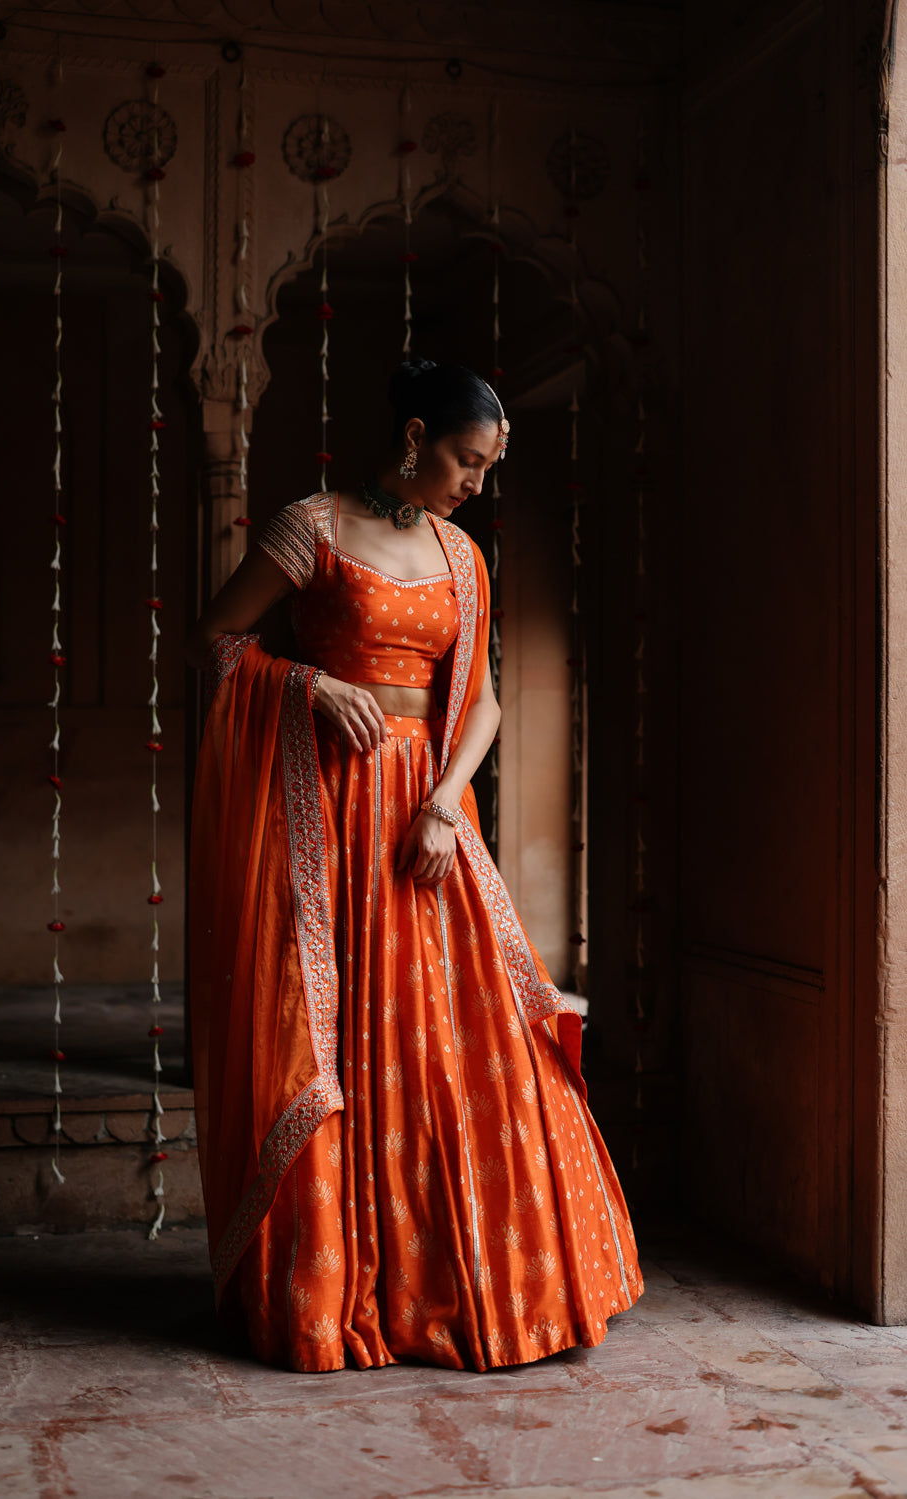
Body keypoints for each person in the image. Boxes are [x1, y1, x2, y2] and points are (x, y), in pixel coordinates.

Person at [186, 358, 643, 1372]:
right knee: (343, 1033)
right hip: (328, 818)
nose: (474, 483)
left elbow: (478, 698)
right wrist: (302, 681)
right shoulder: (309, 527)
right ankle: (342, 1289)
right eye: (464, 460)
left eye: (485, 467)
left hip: (426, 821)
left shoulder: (461, 553)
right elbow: (217, 641)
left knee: (466, 1033)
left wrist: (445, 803)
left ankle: (484, 1282)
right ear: (413, 435)